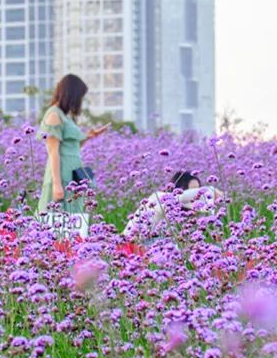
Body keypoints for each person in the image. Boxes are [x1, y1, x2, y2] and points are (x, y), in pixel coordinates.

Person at [37, 74, 109, 216]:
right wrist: (57, 185)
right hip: (61, 174)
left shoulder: (66, 116)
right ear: (71, 94)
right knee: (56, 219)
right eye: (80, 97)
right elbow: (53, 152)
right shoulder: (54, 115)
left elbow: (71, 146)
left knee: (74, 218)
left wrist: (89, 136)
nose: (81, 101)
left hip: (74, 173)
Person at [122, 171, 222, 239]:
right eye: (192, 191)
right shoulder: (159, 197)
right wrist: (210, 190)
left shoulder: (181, 211)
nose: (195, 195)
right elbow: (181, 197)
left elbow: (207, 209)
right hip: (131, 248)